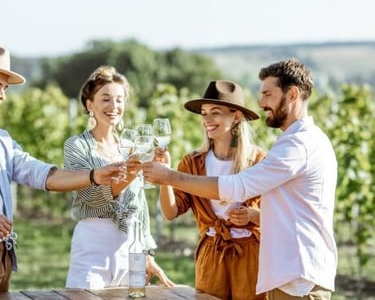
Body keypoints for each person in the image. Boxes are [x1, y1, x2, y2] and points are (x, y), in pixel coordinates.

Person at [143, 59, 338, 300]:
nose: (262, 102)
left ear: (293, 94)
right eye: (204, 114)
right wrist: (167, 178)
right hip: (284, 273)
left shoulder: (296, 146)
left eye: (267, 93)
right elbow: (285, 212)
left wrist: (169, 176)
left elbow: (237, 187)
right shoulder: (298, 142)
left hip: (296, 276)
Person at [0, 47, 126, 293]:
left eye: (5, 88)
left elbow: (44, 174)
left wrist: (93, 176)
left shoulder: (3, 141)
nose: (3, 96)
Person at [63, 65, 174, 289]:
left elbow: (139, 207)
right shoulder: (76, 146)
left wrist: (147, 253)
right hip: (93, 244)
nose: (114, 106)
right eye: (106, 99)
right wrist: (130, 175)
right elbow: (89, 196)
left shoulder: (133, 148)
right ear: (89, 105)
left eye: (120, 99)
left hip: (130, 247)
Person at [154, 80, 267, 300]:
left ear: (235, 117)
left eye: (215, 112)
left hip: (250, 255)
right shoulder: (193, 163)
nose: (207, 120)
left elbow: (277, 217)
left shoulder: (259, 161)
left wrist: (252, 215)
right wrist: (165, 175)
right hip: (212, 255)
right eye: (204, 113)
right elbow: (170, 212)